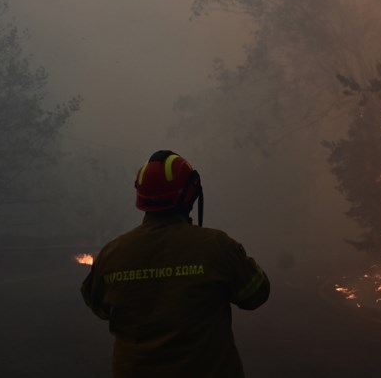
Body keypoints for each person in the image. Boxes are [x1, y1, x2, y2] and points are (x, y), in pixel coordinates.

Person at [82, 150, 270, 377]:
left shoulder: (112, 253)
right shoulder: (216, 246)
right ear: (190, 195)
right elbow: (256, 294)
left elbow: (99, 308)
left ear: (140, 196)